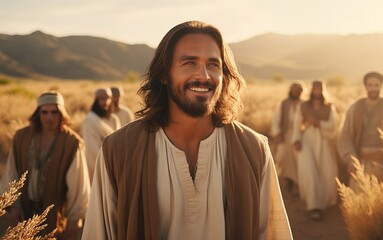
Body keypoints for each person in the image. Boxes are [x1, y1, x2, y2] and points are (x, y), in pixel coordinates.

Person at [82, 21, 293, 240]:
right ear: (164, 74)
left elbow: (272, 234)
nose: (203, 76)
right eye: (189, 63)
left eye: (213, 65)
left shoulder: (253, 149)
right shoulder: (119, 150)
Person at [0, 91, 91, 239]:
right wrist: (14, 205)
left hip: (53, 213)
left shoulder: (71, 143)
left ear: (61, 114)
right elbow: (12, 171)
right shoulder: (21, 137)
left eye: (54, 112)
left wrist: (75, 218)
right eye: (45, 112)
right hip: (24, 209)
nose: (49, 117)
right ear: (38, 113)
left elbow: (78, 184)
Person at [337, 72, 383, 190]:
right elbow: (345, 136)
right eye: (370, 85)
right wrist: (351, 158)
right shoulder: (354, 108)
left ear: (381, 86)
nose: (373, 88)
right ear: (365, 86)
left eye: (376, 85)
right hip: (360, 163)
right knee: (359, 200)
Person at [294, 80, 338, 221]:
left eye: (320, 89)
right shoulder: (303, 105)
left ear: (323, 90)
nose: (317, 91)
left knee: (326, 171)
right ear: (312, 90)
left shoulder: (329, 107)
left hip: (323, 141)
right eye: (315, 88)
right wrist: (297, 140)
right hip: (307, 140)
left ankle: (324, 202)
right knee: (309, 170)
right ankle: (313, 206)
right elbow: (296, 124)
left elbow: (332, 125)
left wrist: (319, 123)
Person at [270, 81, 304, 196]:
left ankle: (298, 185)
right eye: (294, 90)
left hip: (299, 137)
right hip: (285, 135)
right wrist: (277, 133)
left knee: (298, 160)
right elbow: (276, 120)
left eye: (298, 90)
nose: (296, 92)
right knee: (284, 159)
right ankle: (289, 184)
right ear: (291, 90)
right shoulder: (283, 104)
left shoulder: (304, 104)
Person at [81, 87, 120, 183]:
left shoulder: (114, 119)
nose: (105, 102)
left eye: (108, 98)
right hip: (98, 170)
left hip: (116, 168)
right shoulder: (90, 122)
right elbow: (94, 151)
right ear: (96, 100)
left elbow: (120, 144)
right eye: (102, 99)